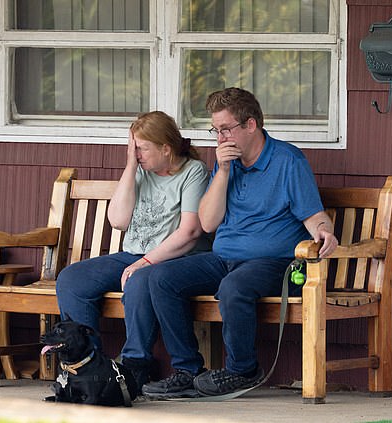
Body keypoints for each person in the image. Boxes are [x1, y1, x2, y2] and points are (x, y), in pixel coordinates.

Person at [139, 88, 339, 399]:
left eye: (225, 129)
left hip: (275, 263)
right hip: (225, 258)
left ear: (250, 125)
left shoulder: (288, 161)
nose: (219, 138)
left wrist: (325, 232)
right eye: (215, 130)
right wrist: (223, 172)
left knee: (234, 287)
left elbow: (314, 216)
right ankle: (188, 370)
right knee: (161, 278)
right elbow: (208, 223)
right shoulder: (225, 162)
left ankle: (243, 370)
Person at [55, 110, 210, 391]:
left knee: (139, 280)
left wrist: (146, 262)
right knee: (72, 280)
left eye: (142, 148)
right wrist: (130, 165)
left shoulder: (193, 172)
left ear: (166, 148)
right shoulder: (140, 171)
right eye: (133, 147)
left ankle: (135, 365)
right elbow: (118, 220)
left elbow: (190, 232)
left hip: (171, 259)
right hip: (131, 256)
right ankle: (88, 366)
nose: (137, 153)